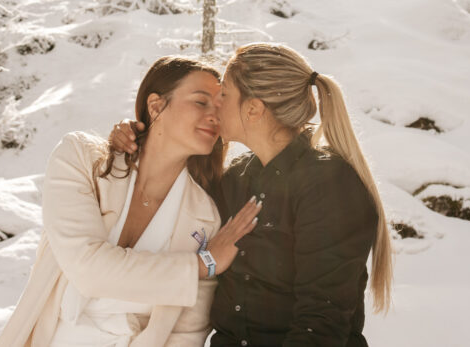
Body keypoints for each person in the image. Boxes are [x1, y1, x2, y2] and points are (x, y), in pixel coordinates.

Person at [112, 44, 392, 346]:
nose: (216, 105)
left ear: (253, 109)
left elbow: (321, 322)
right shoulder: (236, 179)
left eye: (225, 95)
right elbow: (171, 193)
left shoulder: (329, 185)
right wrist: (137, 137)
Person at [0, 56, 262, 347]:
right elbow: (87, 269)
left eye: (220, 107)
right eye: (201, 102)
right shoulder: (80, 159)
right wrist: (199, 265)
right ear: (156, 106)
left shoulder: (206, 216)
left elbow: (186, 333)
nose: (215, 115)